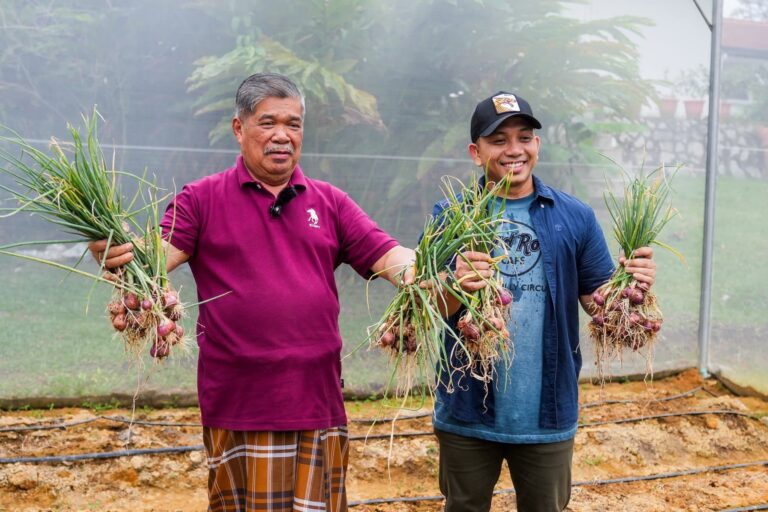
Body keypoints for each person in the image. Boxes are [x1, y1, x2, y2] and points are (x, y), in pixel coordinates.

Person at [90, 72, 426, 512]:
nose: (283, 136)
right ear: (239, 128)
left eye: (294, 124)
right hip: (240, 405)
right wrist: (116, 254)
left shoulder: (329, 202)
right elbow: (153, 257)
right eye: (268, 123)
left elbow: (390, 258)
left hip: (317, 402)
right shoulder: (201, 200)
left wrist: (436, 266)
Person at [430, 91, 657, 512]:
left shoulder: (575, 216)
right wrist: (457, 282)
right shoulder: (450, 215)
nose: (514, 150)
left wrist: (632, 285)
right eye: (498, 140)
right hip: (466, 408)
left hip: (548, 412)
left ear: (537, 144)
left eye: (524, 137)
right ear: (476, 153)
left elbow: (598, 304)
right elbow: (433, 310)